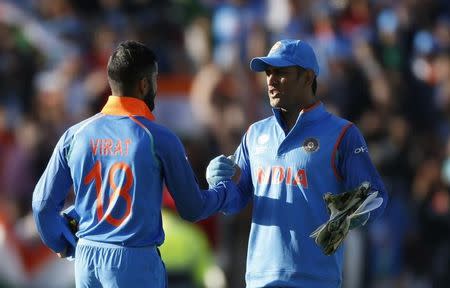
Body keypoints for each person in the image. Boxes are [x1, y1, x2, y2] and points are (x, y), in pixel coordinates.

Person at [32, 40, 239, 288]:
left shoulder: (75, 135)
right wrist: (224, 190)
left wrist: (62, 243)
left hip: (87, 260)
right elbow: (192, 208)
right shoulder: (159, 138)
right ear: (144, 84)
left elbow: (42, 205)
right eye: (155, 80)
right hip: (134, 262)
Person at [206, 39, 389, 288]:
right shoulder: (255, 134)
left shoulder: (342, 133)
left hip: (315, 280)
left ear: (308, 77)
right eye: (268, 72)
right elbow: (236, 201)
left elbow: (376, 195)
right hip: (259, 279)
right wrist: (219, 184)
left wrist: (350, 216)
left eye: (281, 73)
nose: (271, 80)